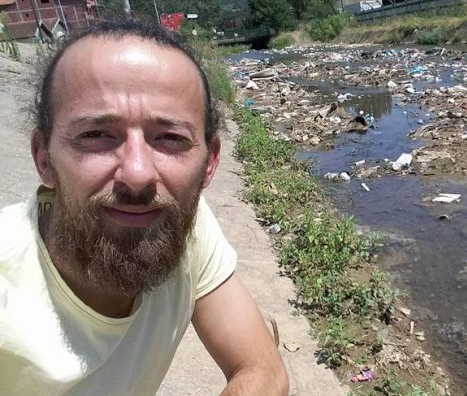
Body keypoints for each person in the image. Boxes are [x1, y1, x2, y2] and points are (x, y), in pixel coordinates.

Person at [0, 20, 289, 395]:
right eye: (96, 135)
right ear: (44, 158)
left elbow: (261, 369)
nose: (137, 174)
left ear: (210, 163)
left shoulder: (186, 223)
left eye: (169, 138)